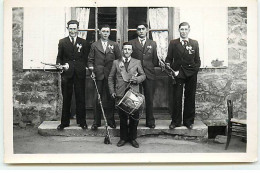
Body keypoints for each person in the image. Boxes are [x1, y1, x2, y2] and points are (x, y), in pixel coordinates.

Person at [108, 42, 146, 148]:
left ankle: (133, 138)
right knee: (123, 118)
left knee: (134, 117)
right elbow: (110, 78)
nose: (127, 51)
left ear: (132, 51)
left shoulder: (137, 62)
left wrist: (137, 79)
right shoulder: (116, 62)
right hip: (120, 93)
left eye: (129, 49)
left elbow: (143, 75)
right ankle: (123, 138)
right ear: (122, 50)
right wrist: (112, 91)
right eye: (125, 49)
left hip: (133, 93)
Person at [165, 22, 201, 130]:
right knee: (176, 97)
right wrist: (169, 67)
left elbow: (197, 61)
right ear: (179, 30)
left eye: (186, 29)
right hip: (177, 74)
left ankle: (188, 121)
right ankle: (175, 121)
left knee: (190, 97)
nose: (184, 32)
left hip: (191, 74)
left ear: (189, 30)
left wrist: (193, 71)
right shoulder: (173, 43)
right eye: (182, 29)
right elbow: (169, 58)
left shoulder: (194, 43)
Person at [56, 20, 89, 130]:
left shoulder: (83, 42)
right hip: (67, 74)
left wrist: (81, 67)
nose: (72, 30)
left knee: (81, 97)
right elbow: (59, 57)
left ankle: (82, 121)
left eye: (74, 28)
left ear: (78, 29)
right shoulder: (62, 42)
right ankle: (64, 122)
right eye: (70, 28)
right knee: (67, 98)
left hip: (79, 73)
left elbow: (86, 58)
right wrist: (59, 65)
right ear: (68, 29)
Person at [88, 24, 121, 130]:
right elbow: (90, 60)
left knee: (111, 98)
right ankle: (96, 122)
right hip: (98, 75)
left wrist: (116, 73)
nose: (105, 33)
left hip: (110, 76)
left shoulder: (114, 45)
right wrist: (92, 70)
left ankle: (111, 121)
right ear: (100, 32)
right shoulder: (94, 45)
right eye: (103, 31)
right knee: (97, 99)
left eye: (107, 31)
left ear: (109, 33)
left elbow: (119, 60)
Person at [128, 22, 160, 129]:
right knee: (134, 99)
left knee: (149, 98)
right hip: (136, 75)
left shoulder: (153, 43)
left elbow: (155, 60)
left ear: (147, 30)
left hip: (149, 74)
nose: (141, 31)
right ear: (137, 31)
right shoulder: (132, 43)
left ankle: (150, 121)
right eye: (139, 29)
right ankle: (134, 122)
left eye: (143, 29)